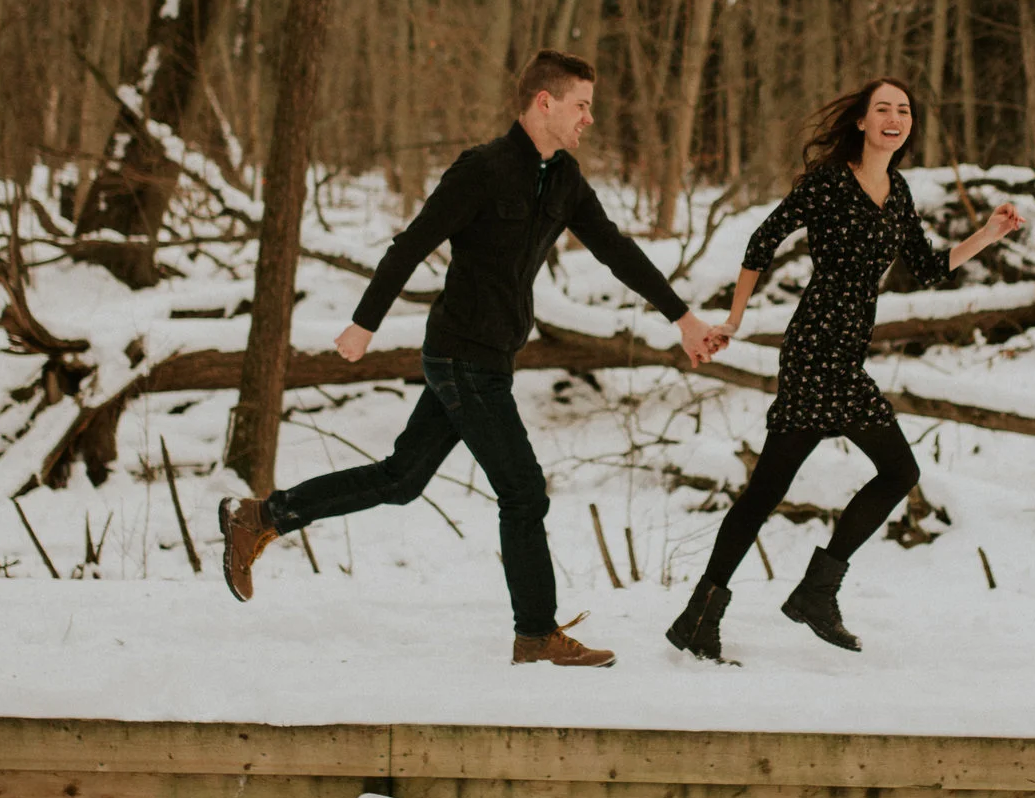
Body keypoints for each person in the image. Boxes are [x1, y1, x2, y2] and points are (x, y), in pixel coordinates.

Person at [218, 50, 725, 666]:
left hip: (491, 356)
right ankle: (535, 634)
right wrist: (363, 324)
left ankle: (258, 516)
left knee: (400, 480)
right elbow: (414, 243)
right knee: (523, 490)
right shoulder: (483, 170)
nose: (590, 118)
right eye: (582, 105)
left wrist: (683, 317)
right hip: (462, 356)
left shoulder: (562, 180)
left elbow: (616, 250)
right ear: (546, 102)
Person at [666, 78, 1022, 662]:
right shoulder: (829, 182)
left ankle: (709, 613)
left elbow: (930, 267)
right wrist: (734, 318)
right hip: (815, 352)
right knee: (895, 470)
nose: (894, 117)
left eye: (903, 110)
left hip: (844, 352)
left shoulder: (899, 191)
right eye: (882, 108)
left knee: (768, 490)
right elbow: (763, 240)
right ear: (860, 121)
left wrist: (988, 232)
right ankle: (809, 593)